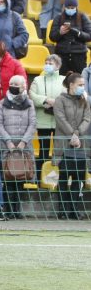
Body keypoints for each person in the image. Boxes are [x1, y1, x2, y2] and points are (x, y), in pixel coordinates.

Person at [0, 74, 36, 220]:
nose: (13, 86)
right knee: (8, 178)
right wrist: (9, 142)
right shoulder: (2, 103)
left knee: (20, 179)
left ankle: (17, 210)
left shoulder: (30, 103)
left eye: (16, 84)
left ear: (24, 86)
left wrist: (24, 142)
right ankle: (8, 210)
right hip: (7, 147)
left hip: (24, 148)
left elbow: (32, 124)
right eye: (11, 83)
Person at [52, 73, 90, 219]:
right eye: (80, 84)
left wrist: (78, 133)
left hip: (81, 145)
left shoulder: (85, 101)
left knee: (78, 178)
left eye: (83, 85)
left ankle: (75, 209)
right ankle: (62, 209)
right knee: (63, 178)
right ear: (71, 85)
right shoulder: (60, 100)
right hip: (64, 145)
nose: (82, 87)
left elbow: (87, 118)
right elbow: (60, 119)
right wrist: (72, 135)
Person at [31, 54, 64, 179]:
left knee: (58, 150)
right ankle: (41, 177)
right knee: (43, 149)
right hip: (42, 121)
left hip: (59, 122)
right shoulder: (37, 80)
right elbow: (32, 96)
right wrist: (46, 100)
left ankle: (56, 177)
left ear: (58, 66)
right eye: (46, 63)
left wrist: (56, 103)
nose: (47, 65)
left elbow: (67, 96)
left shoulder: (63, 80)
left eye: (51, 63)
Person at [49, 0, 91, 75]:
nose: (70, 9)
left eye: (73, 7)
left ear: (76, 7)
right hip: (62, 54)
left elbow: (89, 36)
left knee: (78, 79)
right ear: (65, 7)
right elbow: (52, 37)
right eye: (68, 7)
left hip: (79, 54)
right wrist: (60, 33)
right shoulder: (58, 18)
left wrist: (78, 33)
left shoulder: (82, 17)